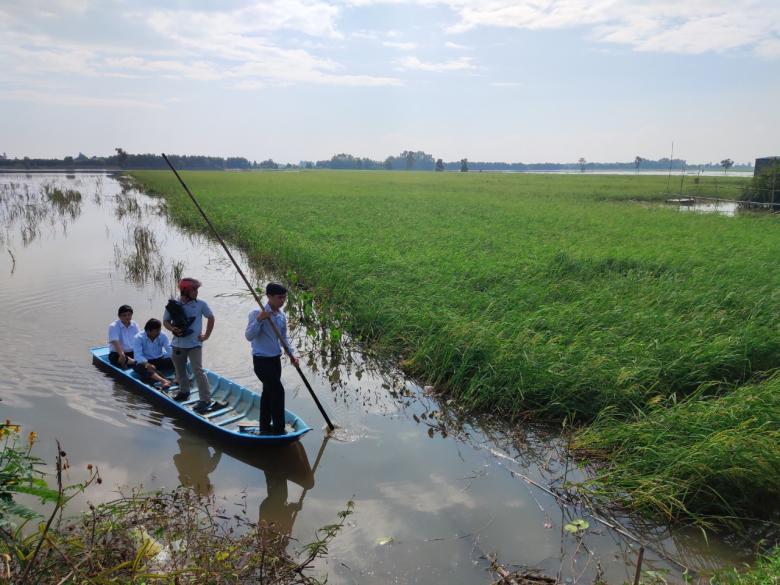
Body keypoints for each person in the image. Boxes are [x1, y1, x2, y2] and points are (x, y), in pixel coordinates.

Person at [245, 282, 299, 435]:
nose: (282, 301)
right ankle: (279, 429)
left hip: (275, 360)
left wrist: (292, 354)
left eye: (284, 298)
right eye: (279, 298)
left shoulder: (281, 315)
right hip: (262, 361)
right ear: (269, 297)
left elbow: (284, 338)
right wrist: (259, 319)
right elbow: (249, 336)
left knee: (268, 392)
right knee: (278, 391)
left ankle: (264, 427)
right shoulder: (257, 312)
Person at [163, 278, 215, 414]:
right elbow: (165, 321)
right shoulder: (174, 305)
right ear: (185, 290)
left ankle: (205, 399)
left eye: (197, 290)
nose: (196, 292)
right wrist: (173, 329)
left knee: (198, 370)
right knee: (179, 369)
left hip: (195, 344)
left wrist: (207, 335)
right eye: (194, 290)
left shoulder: (201, 304)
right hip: (178, 344)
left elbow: (211, 317)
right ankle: (184, 391)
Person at [132, 318, 174, 389]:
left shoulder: (162, 335)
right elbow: (137, 355)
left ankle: (178, 378)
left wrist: (177, 358)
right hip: (146, 362)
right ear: (148, 331)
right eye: (156, 331)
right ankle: (163, 381)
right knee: (139, 367)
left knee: (177, 360)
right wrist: (147, 364)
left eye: (159, 330)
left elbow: (169, 349)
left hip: (160, 359)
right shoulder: (138, 338)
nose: (159, 332)